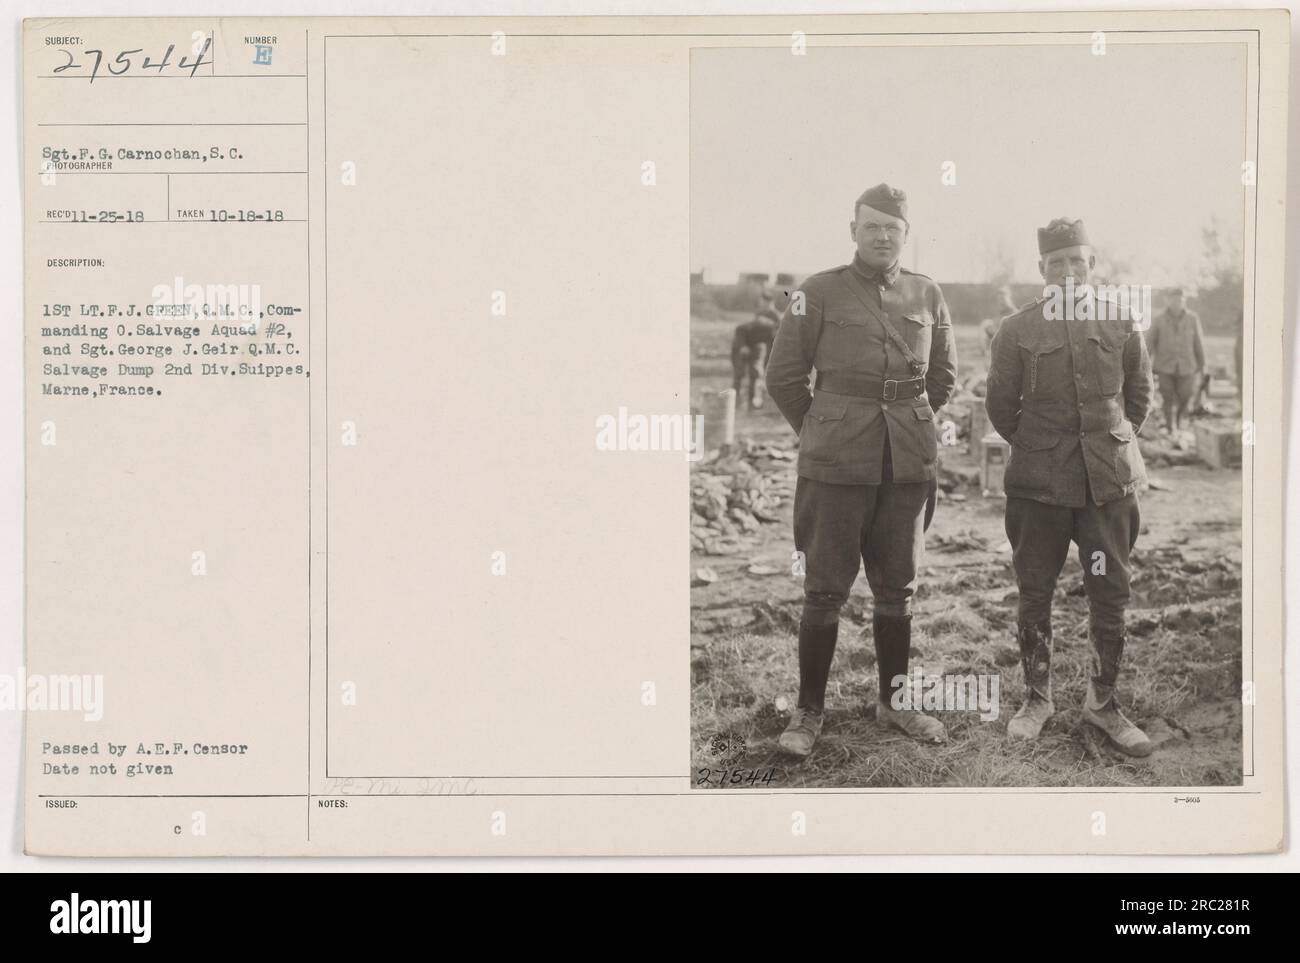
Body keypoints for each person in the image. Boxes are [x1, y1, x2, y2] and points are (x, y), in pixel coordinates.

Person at [765, 183, 958, 757]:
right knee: (825, 590)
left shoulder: (928, 292)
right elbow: (782, 377)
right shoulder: (817, 292)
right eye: (870, 226)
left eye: (891, 228)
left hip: (906, 464)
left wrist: (909, 424)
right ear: (853, 230)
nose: (881, 236)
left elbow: (943, 376)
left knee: (898, 589)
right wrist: (824, 429)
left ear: (906, 235)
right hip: (834, 465)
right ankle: (807, 713)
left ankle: (894, 702)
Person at [985, 217, 1155, 757]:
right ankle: (1037, 699)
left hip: (1108, 482)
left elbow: (1139, 397)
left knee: (1111, 595)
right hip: (1039, 486)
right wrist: (1040, 446)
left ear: (1093, 265)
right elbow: (999, 406)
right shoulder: (1016, 330)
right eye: (1056, 263)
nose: (1067, 271)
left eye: (1076, 260)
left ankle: (1103, 703)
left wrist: (1109, 445)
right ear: (1042, 270)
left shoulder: (1122, 320)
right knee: (1035, 590)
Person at [1147, 286, 1206, 435]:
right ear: (1167, 300)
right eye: (1173, 299)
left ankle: (1179, 420)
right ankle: (1170, 426)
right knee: (1168, 397)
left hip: (1187, 366)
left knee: (1186, 396)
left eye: (1180, 299)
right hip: (1164, 366)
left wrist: (1202, 363)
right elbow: (1150, 343)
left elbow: (1198, 342)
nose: (1176, 302)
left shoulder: (1193, 318)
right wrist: (1146, 364)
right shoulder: (1158, 319)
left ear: (1184, 301)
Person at [731, 289, 780, 409]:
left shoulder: (775, 319)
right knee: (739, 373)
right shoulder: (761, 321)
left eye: (764, 302)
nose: (762, 304)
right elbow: (742, 329)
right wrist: (743, 346)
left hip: (760, 347)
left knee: (756, 374)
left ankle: (752, 402)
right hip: (745, 345)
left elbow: (775, 342)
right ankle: (734, 400)